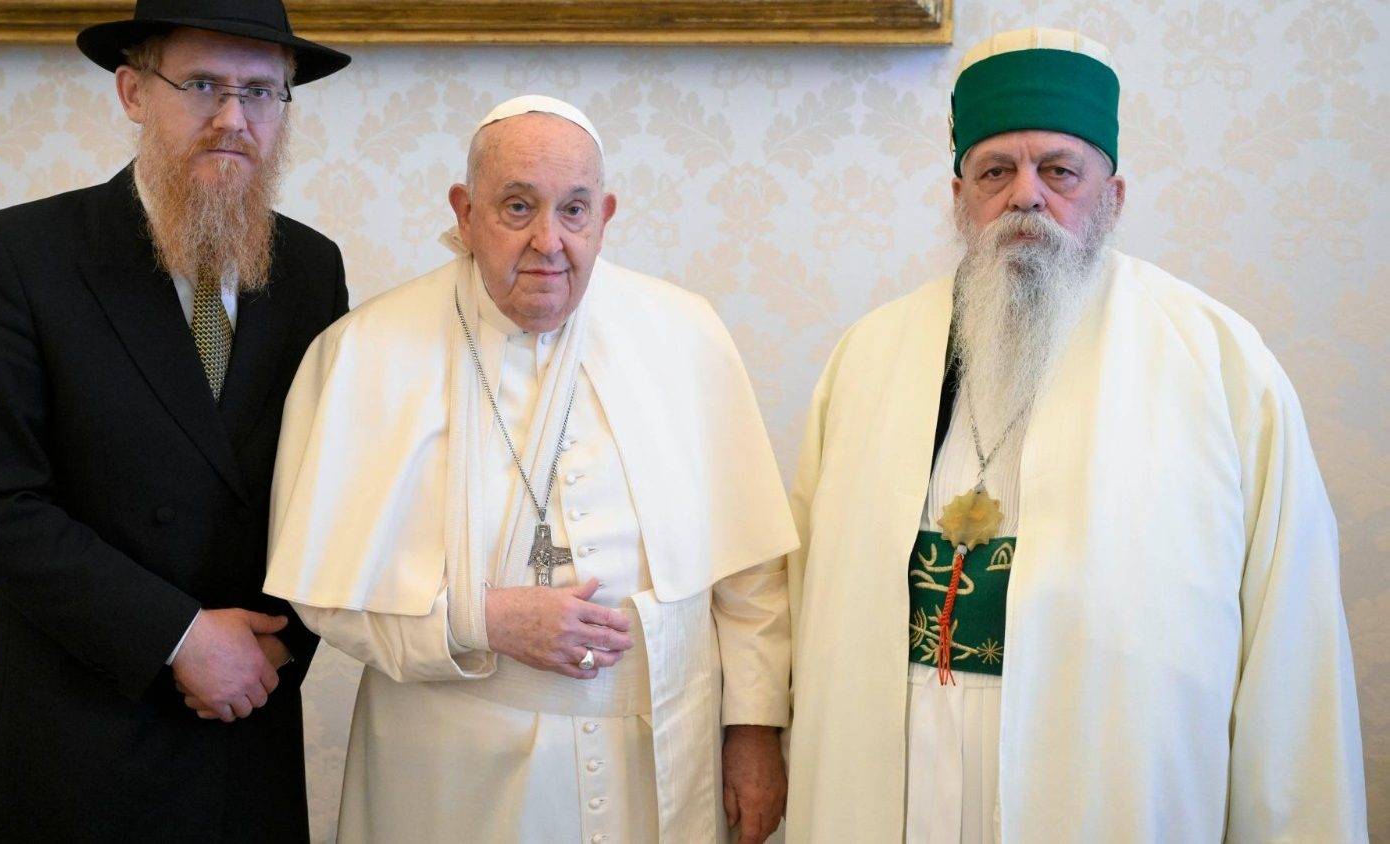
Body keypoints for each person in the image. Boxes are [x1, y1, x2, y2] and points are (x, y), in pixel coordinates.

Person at [783, 27, 1367, 842]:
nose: (1026, 196)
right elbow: (805, 588)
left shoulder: (1219, 363)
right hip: (899, 778)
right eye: (996, 171)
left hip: (1112, 789)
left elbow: (1291, 648)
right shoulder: (868, 355)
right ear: (959, 199)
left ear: (1113, 195)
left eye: (1059, 170)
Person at [263, 95, 798, 843]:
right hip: (449, 770)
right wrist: (484, 619)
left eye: (574, 210)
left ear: (604, 215)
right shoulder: (367, 351)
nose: (549, 240)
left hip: (657, 757)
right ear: (465, 210)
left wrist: (752, 731)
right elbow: (327, 595)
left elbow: (749, 578)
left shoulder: (684, 334)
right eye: (518, 207)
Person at [0, 1, 350, 839]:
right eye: (201, 84)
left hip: (245, 726)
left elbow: (328, 485)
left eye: (262, 93)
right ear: (132, 91)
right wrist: (178, 636)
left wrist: (274, 652)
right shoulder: (17, 255)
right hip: (80, 736)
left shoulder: (311, 267)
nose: (233, 118)